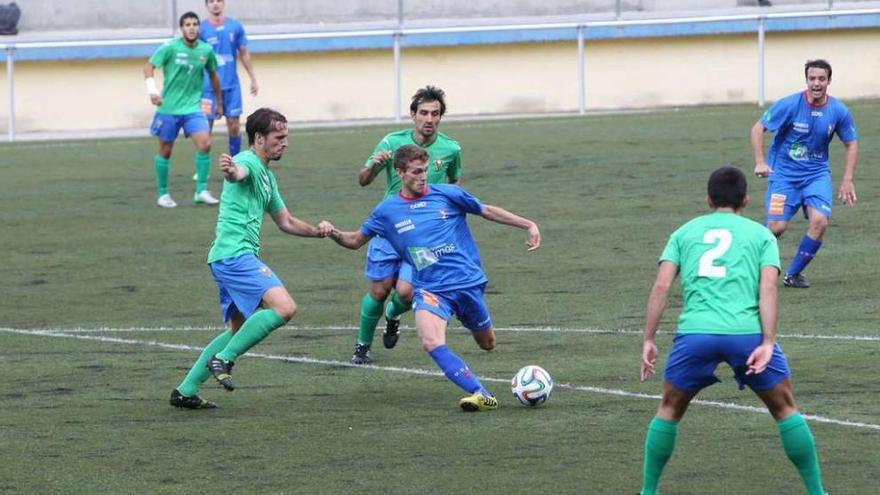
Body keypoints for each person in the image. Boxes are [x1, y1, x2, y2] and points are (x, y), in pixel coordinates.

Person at [638, 166, 827, 495]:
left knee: (668, 409)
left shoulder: (683, 233)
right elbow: (768, 288)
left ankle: (648, 492)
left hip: (695, 334)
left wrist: (649, 339)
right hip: (746, 335)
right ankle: (816, 492)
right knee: (784, 408)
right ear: (746, 199)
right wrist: (768, 341)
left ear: (708, 199)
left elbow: (661, 286)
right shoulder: (761, 235)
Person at [323, 144, 540, 411]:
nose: (423, 176)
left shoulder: (448, 194)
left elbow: (486, 210)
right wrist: (333, 232)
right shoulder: (387, 211)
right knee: (431, 341)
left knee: (487, 343)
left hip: (467, 282)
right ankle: (482, 394)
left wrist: (528, 225)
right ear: (400, 172)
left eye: (425, 170)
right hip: (429, 289)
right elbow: (356, 240)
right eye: (416, 171)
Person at [170, 108, 333, 409]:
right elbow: (238, 173)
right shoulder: (248, 163)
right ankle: (224, 359)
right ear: (259, 138)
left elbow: (286, 222)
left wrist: (319, 232)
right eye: (278, 137)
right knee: (285, 308)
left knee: (237, 330)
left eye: (286, 137)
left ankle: (186, 390)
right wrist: (231, 171)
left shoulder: (268, 177)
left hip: (225, 258)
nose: (285, 143)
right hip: (235, 257)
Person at [351, 85, 463, 365]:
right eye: (423, 112)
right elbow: (363, 179)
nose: (429, 119)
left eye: (435, 114)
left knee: (406, 291)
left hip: (424, 235)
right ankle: (362, 345)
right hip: (389, 227)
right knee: (379, 290)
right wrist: (375, 166)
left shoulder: (450, 149)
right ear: (412, 115)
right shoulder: (391, 143)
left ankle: (392, 314)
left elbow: (455, 185)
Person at [751, 58, 858, 288]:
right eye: (812, 78)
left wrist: (847, 180)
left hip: (816, 175)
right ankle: (747, 259)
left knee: (820, 221)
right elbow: (758, 128)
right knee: (776, 228)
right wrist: (760, 162)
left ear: (829, 81)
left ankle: (793, 274)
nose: (816, 83)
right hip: (783, 176)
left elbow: (851, 142)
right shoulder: (790, 104)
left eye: (821, 79)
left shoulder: (838, 110)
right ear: (806, 80)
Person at [144, 11, 223, 208]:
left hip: (192, 109)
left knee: (205, 144)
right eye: (187, 24)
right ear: (182, 29)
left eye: (195, 24)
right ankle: (163, 194)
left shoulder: (206, 50)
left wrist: (219, 103)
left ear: (199, 28)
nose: (192, 27)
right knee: (165, 150)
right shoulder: (170, 47)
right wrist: (152, 91)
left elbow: (213, 76)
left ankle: (201, 191)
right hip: (168, 108)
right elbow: (148, 67)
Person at [200, 0, 258, 157]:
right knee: (205, 128)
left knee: (233, 126)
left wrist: (253, 78)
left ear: (223, 3)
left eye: (218, 0)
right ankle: (202, 169)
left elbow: (244, 52)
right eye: (211, 1)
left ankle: (235, 162)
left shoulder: (235, 26)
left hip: (231, 86)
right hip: (208, 88)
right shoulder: (201, 29)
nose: (215, 4)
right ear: (206, 5)